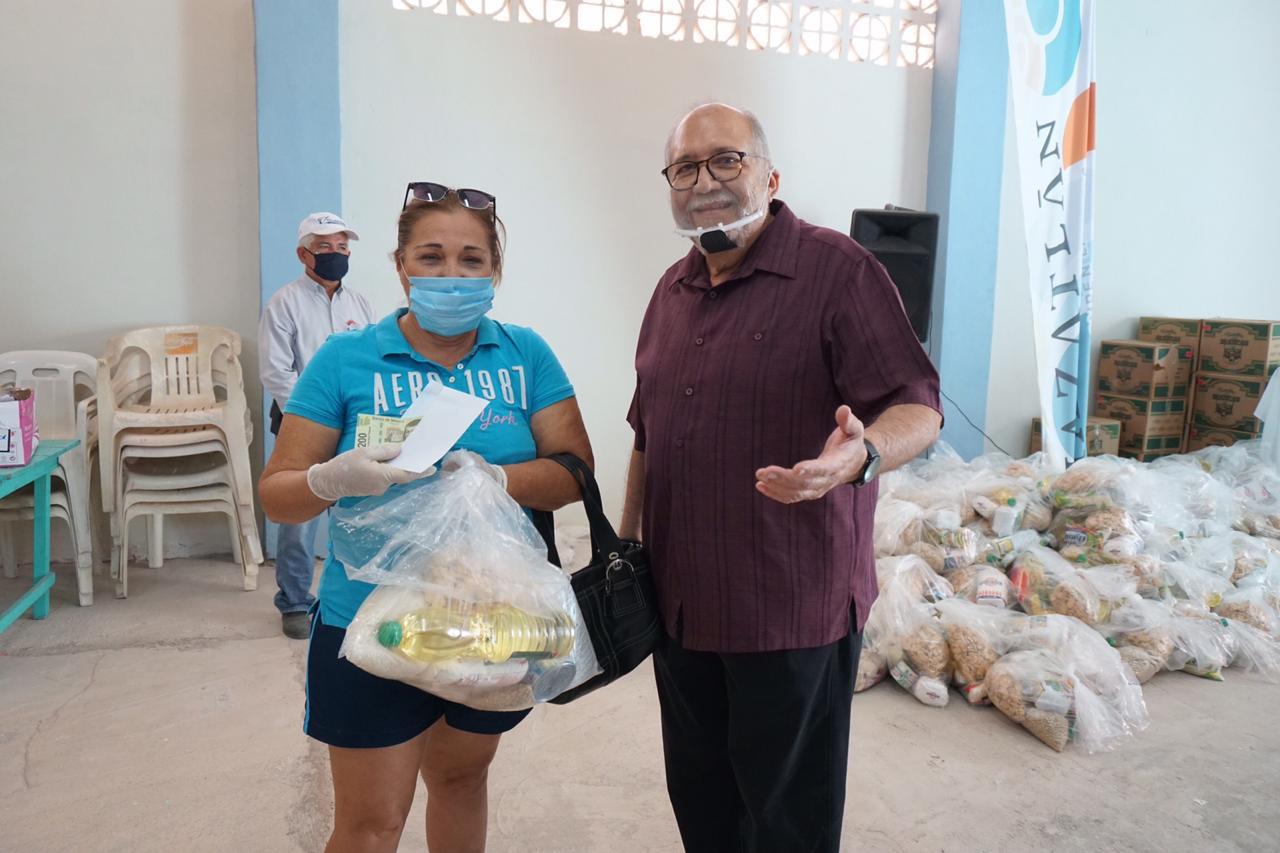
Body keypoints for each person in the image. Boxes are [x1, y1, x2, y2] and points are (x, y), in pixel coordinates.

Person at [620, 104, 943, 853]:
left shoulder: (839, 272)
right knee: (703, 803)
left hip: (789, 609)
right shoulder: (671, 290)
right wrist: (627, 548)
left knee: (789, 821)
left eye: (726, 159)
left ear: (769, 176)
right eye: (685, 167)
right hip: (682, 608)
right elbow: (646, 434)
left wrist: (858, 457)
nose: (705, 181)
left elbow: (917, 406)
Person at [260, 184, 593, 853]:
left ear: (495, 270)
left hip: (493, 624)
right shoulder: (345, 359)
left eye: (472, 259)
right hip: (369, 624)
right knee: (371, 822)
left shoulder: (524, 355)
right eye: (431, 256)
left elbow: (574, 472)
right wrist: (331, 478)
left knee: (462, 781)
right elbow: (278, 494)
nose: (451, 275)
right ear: (401, 265)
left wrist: (497, 478)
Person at [260, 212, 375, 639]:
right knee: (300, 515)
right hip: (301, 421)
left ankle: (362, 597)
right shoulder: (284, 303)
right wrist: (312, 417)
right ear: (303, 254)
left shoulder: (359, 304)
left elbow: (371, 361)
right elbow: (276, 372)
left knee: (361, 506)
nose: (336, 254)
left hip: (355, 420)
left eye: (342, 247)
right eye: (325, 247)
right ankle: (294, 601)